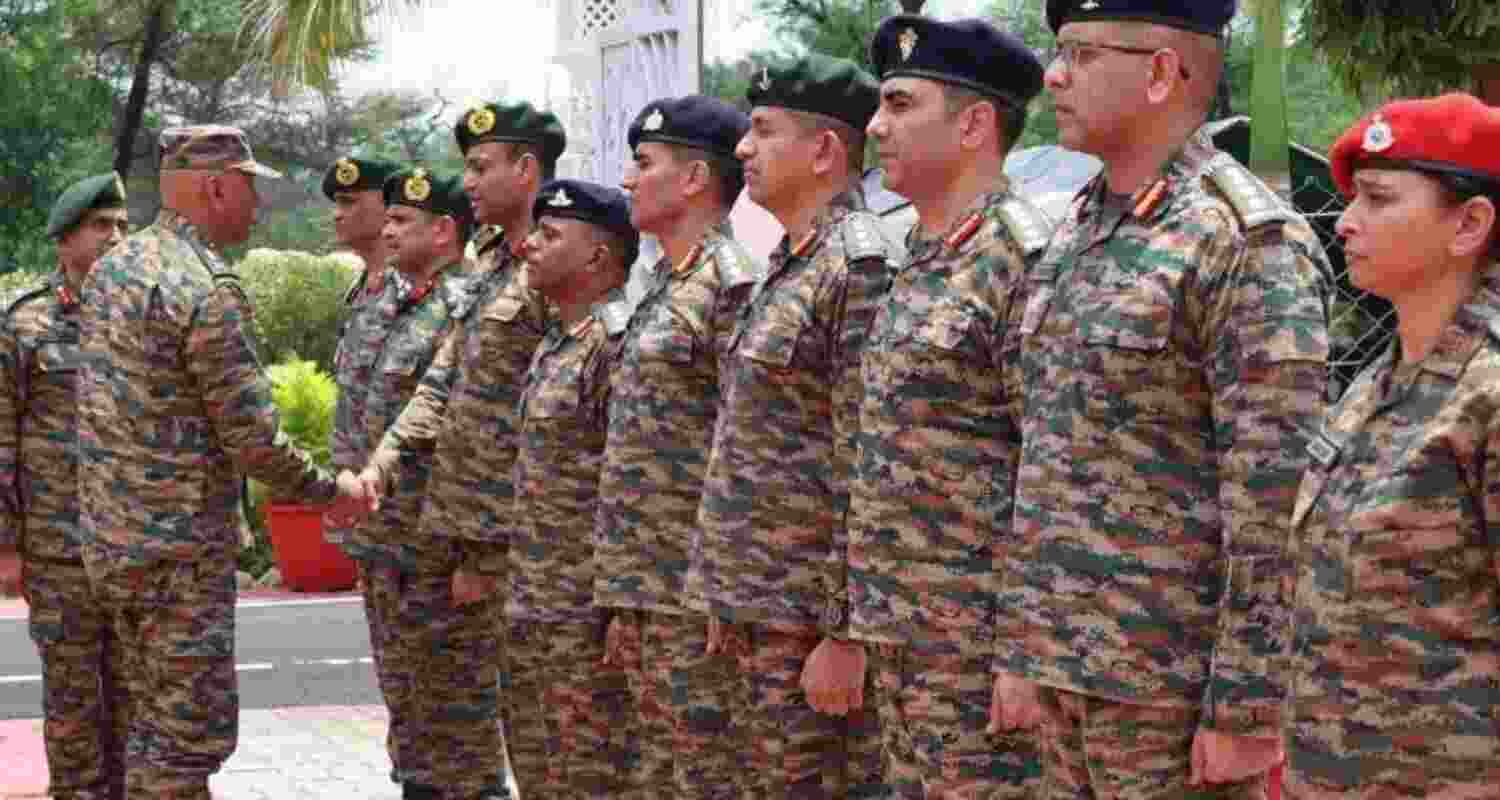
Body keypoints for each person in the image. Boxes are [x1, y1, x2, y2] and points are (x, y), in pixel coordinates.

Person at [988, 1, 1331, 797]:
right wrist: (1023, 648)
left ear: (1160, 74)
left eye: (1082, 52)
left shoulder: (1241, 239)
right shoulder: (1078, 230)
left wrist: (1246, 707)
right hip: (1063, 674)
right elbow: (1040, 460)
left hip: (1169, 692)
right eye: (1057, 50)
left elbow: (1273, 500)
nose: (1054, 74)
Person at [73, 125, 371, 799]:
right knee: (186, 737)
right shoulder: (206, 288)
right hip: (179, 555)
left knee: (147, 726)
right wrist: (334, 490)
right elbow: (255, 440)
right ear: (214, 186)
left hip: (113, 545)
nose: (256, 206)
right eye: (248, 188)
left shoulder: (114, 270)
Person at [852, 16, 1052, 799]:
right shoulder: (922, 258)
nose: (876, 127)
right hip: (905, 644)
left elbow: (1052, 467)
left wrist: (1027, 653)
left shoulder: (1021, 259)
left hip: (980, 654)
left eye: (901, 105)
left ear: (974, 124)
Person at [689, 51, 897, 800]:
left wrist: (845, 631)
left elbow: (865, 455)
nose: (742, 148)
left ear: (824, 151)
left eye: (763, 131)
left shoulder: (858, 266)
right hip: (761, 610)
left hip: (809, 621)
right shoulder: (788, 263)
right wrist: (727, 590)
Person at [1282, 92, 1500, 798]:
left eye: (1378, 200)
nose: (1344, 222)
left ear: (1469, 224)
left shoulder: (1489, 393)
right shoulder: (1381, 379)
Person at [356, 100, 563, 800]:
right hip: (456, 540)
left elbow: (557, 423)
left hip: (519, 548)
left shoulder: (559, 263)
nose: (467, 181)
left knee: (520, 736)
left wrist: (490, 549)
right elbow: (446, 381)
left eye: (481, 166)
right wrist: (383, 461)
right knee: (444, 723)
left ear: (526, 168)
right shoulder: (490, 265)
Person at [597, 94, 759, 800]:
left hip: (694, 595)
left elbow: (745, 437)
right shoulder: (664, 284)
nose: (628, 180)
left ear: (694, 179)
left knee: (707, 775)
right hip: (647, 588)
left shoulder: (731, 283)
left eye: (643, 163)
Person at [333, 165, 489, 800]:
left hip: (438, 545)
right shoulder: (383, 304)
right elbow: (354, 411)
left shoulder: (472, 308)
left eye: (403, 220)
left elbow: (476, 436)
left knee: (460, 719)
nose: (387, 230)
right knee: (410, 713)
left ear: (446, 231)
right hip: (383, 543)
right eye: (388, 217)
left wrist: (475, 552)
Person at [0, 172, 130, 800]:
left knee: (136, 691)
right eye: (101, 225)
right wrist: (7, 544)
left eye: (123, 226)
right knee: (74, 695)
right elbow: (1, 438)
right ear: (65, 240)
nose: (115, 237)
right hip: (58, 546)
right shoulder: (25, 323)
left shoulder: (141, 313)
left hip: (135, 542)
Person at [510, 178, 638, 799]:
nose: (530, 246)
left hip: (585, 612)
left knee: (595, 776)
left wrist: (618, 604)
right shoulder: (557, 343)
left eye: (550, 235)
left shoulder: (613, 346)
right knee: (543, 776)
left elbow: (630, 480)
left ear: (597, 256)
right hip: (537, 601)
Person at [324, 156, 402, 552]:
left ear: (388, 206)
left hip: (406, 500)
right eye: (336, 203)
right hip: (364, 497)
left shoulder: (416, 290)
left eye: (351, 202)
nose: (338, 215)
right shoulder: (358, 292)